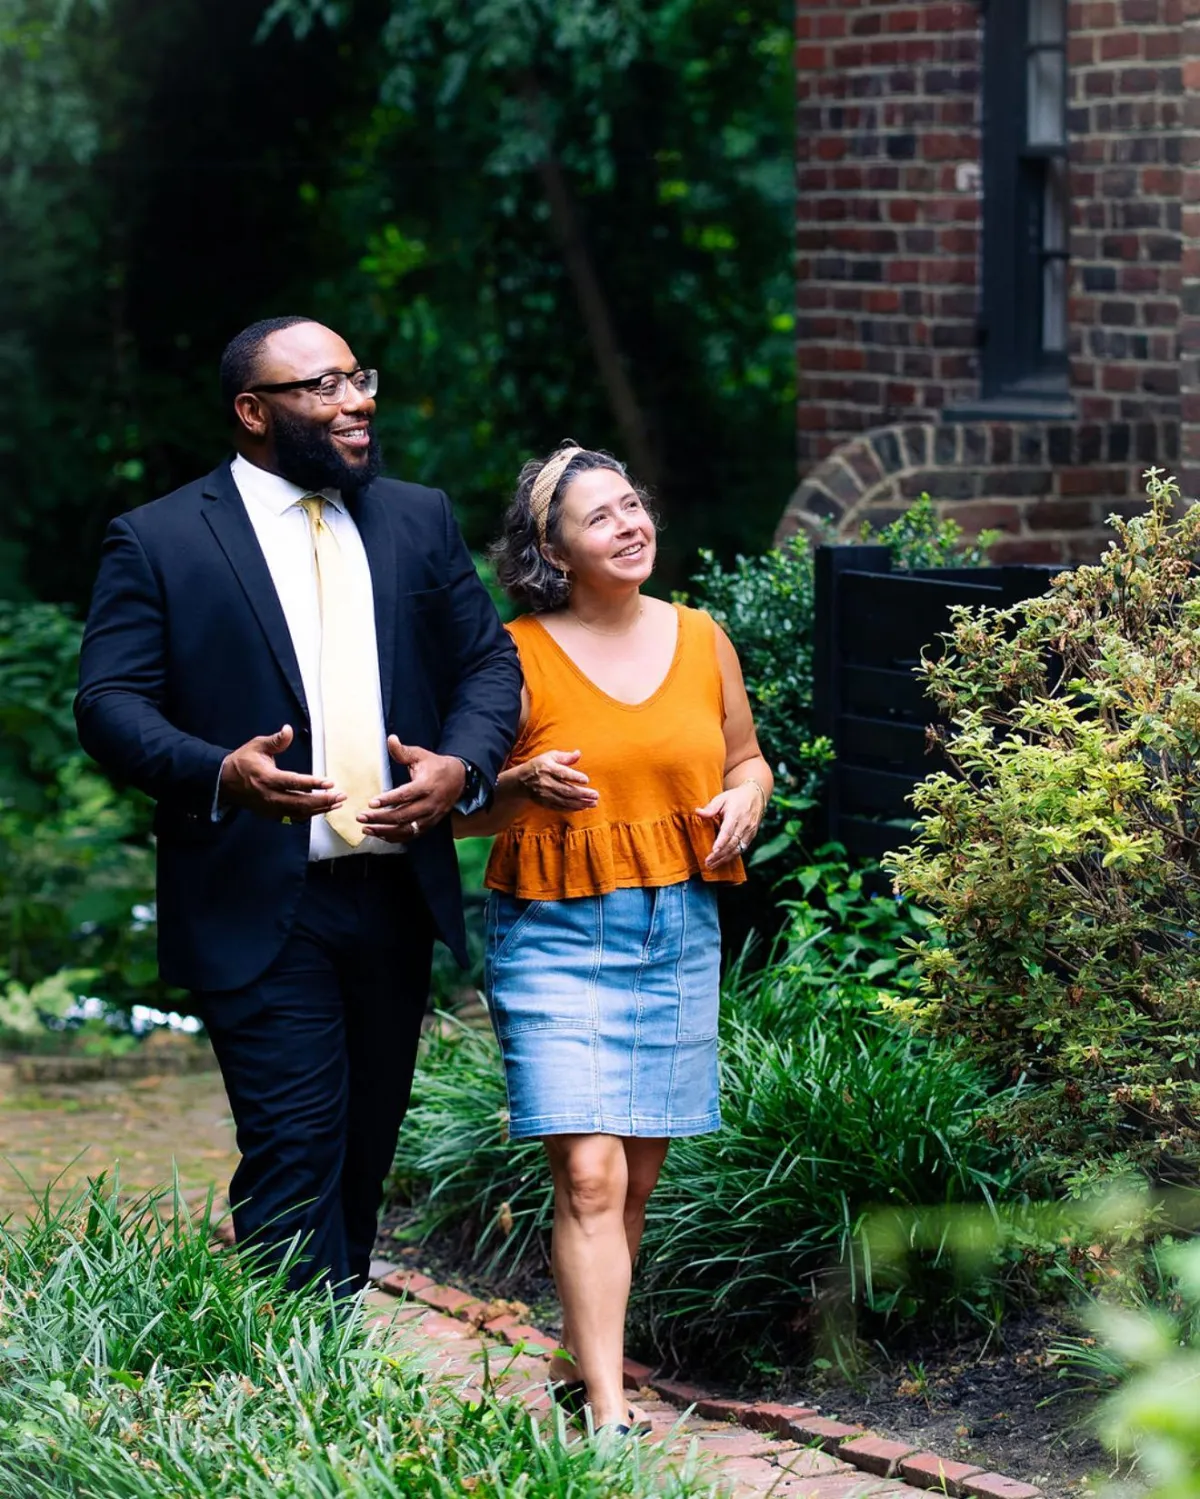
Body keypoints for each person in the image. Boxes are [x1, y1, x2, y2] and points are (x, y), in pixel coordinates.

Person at [75, 316, 522, 1294]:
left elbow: (489, 662)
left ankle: (323, 1369)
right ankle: (300, 1382)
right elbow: (107, 703)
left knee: (361, 1151)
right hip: (255, 896)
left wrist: (463, 764)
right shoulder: (158, 540)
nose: (357, 400)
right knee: (294, 1146)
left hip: (394, 893)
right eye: (322, 386)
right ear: (253, 412)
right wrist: (216, 770)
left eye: (359, 377)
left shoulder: (417, 517)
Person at [457, 443, 773, 1433]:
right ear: (551, 548)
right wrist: (516, 787)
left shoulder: (700, 633)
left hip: (675, 921)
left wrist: (746, 797)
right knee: (587, 1171)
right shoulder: (512, 653)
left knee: (633, 1177)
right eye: (601, 516)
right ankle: (606, 1405)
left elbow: (747, 757)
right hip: (552, 925)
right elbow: (452, 807)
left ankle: (576, 1352)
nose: (630, 524)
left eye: (633, 504)